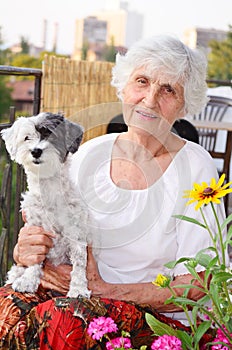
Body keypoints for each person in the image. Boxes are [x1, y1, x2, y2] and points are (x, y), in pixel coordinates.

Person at [0, 35, 228, 349]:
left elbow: (203, 281)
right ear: (123, 87)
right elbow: (46, 230)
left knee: (64, 321)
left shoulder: (196, 167)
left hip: (155, 316)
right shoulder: (86, 155)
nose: (149, 100)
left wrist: (103, 289)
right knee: (7, 306)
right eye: (142, 82)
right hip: (75, 295)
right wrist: (24, 251)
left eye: (168, 89)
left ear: (185, 104)